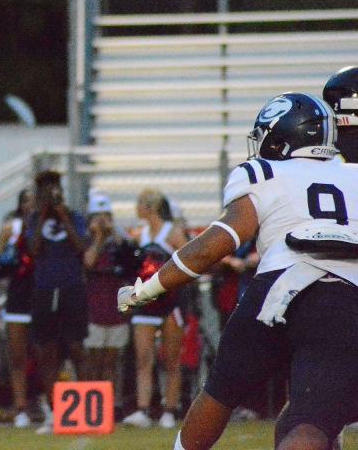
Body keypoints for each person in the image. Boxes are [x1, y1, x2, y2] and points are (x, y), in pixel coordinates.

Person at [117, 92, 358, 450]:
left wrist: (148, 288)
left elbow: (217, 243)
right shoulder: (353, 175)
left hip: (276, 293)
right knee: (310, 423)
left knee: (219, 394)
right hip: (343, 301)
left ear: (279, 138)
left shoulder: (262, 172)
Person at [25, 169, 88, 434]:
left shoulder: (74, 217)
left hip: (72, 287)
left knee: (76, 346)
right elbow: (33, 250)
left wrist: (62, 215)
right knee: (46, 350)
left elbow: (81, 247)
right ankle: (54, 411)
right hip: (45, 288)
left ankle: (84, 410)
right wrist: (42, 217)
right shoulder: (32, 219)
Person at [121, 188, 189, 430]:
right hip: (146, 303)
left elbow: (188, 265)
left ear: (149, 207)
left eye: (139, 204)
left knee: (171, 360)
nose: (136, 209)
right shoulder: (140, 236)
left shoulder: (173, 234)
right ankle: (142, 409)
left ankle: (169, 410)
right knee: (143, 358)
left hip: (170, 303)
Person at [0, 188, 39, 428]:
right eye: (27, 201)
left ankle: (44, 401)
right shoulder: (13, 227)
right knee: (17, 355)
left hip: (42, 295)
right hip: (19, 296)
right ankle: (20, 407)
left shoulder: (49, 226)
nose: (31, 205)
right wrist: (1, 240)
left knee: (44, 354)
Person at [82, 192, 137, 391]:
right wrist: (98, 237)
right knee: (93, 360)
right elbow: (88, 262)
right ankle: (92, 400)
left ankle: (110, 403)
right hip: (94, 309)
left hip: (116, 309)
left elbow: (130, 262)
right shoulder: (86, 240)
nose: (103, 221)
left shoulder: (120, 239)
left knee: (112, 361)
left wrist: (114, 234)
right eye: (98, 216)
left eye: (106, 216)